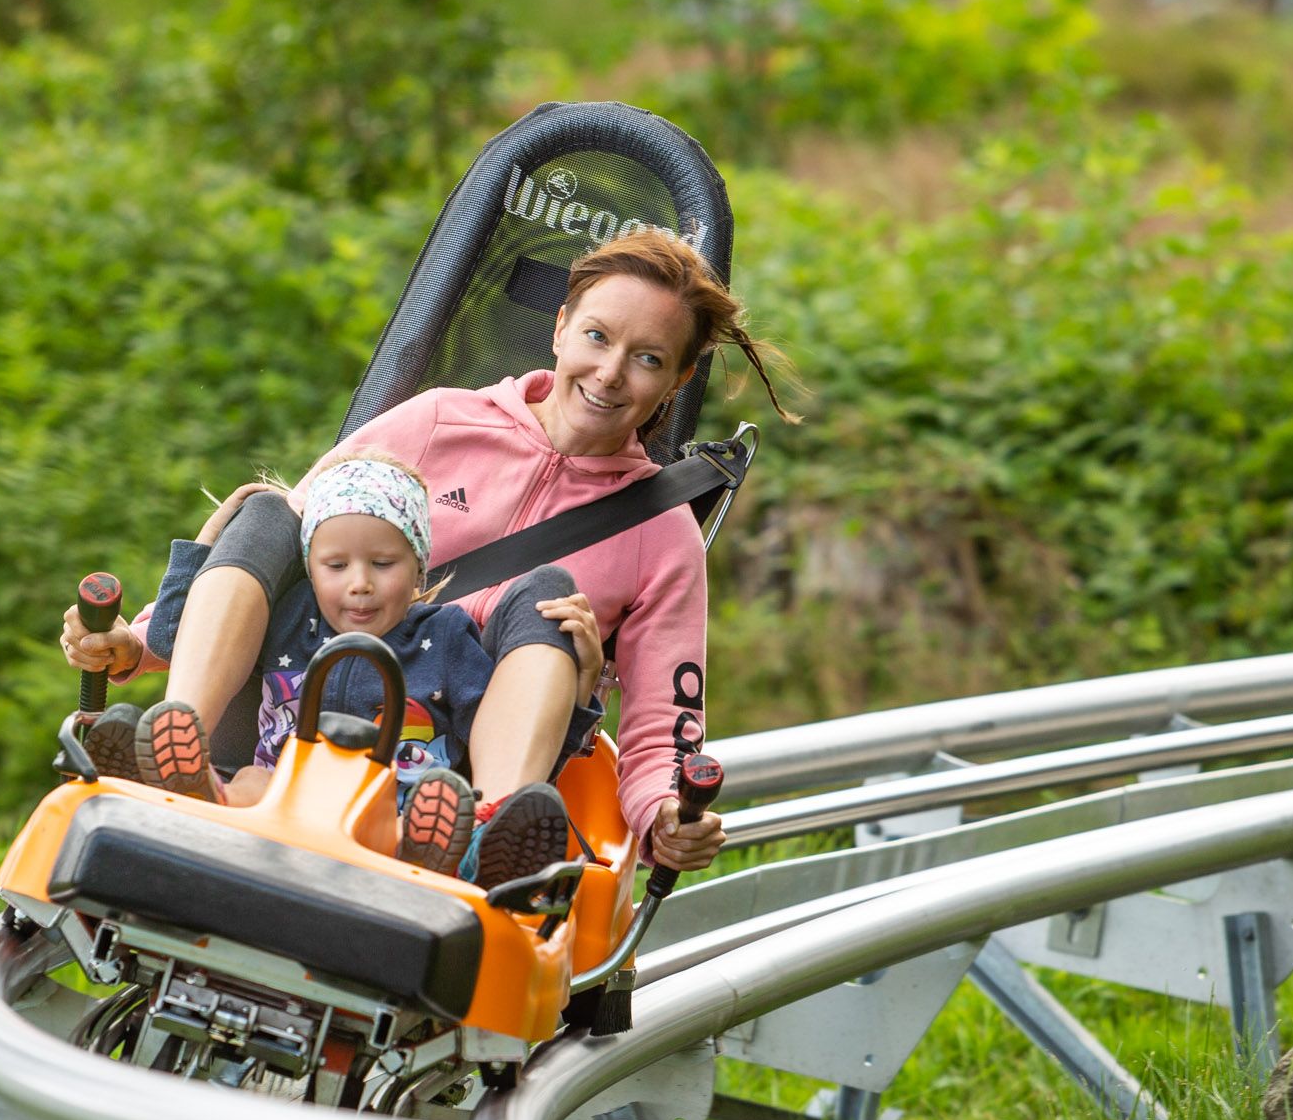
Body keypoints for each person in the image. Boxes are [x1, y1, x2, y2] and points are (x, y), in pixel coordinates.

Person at [65, 227, 796, 881]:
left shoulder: (662, 533)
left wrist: (665, 813)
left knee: (549, 597)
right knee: (268, 511)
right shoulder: (441, 419)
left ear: (676, 379)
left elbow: (664, 719)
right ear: (562, 328)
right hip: (302, 699)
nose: (609, 374)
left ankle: (488, 830)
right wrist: (136, 643)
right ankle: (179, 741)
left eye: (647, 359)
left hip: (463, 766)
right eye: (598, 338)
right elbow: (295, 546)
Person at [90, 453, 606, 880]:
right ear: (310, 567)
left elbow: (513, 731)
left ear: (418, 565)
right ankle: (194, 785)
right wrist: (215, 536)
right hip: (281, 798)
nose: (359, 583)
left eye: (383, 564)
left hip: (394, 816)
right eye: (336, 566)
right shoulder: (289, 616)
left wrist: (580, 691)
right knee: (248, 781)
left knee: (430, 804)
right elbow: (177, 634)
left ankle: (457, 848)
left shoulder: (445, 638)